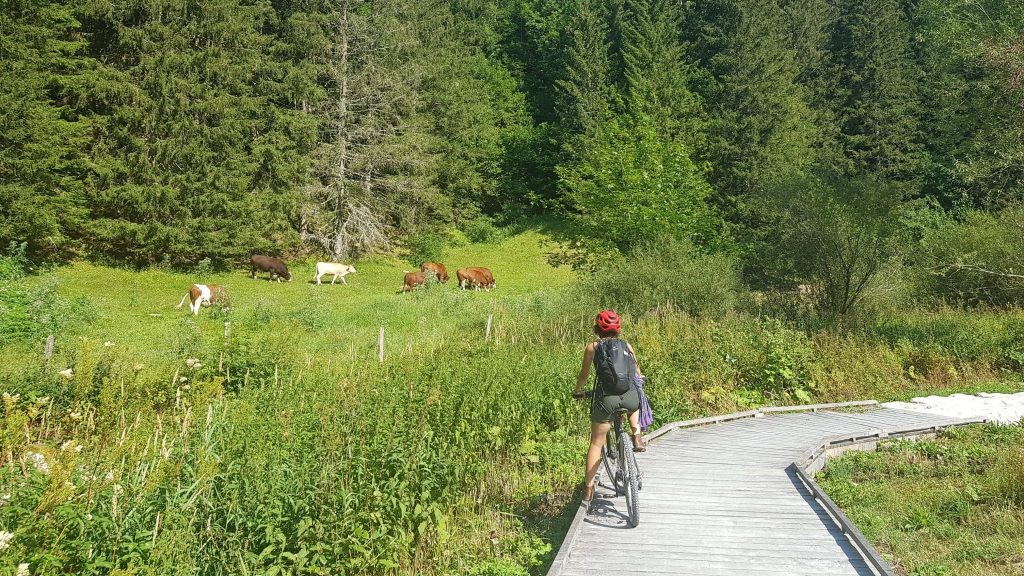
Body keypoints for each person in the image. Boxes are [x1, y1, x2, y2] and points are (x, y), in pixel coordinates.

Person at [573, 309, 646, 501]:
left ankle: (588, 489)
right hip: (630, 398)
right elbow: (637, 372)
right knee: (633, 404)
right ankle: (636, 434)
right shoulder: (626, 345)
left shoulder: (593, 347)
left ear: (598, 329)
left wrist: (577, 390)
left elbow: (584, 375)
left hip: (607, 401)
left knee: (597, 443)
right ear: (618, 329)